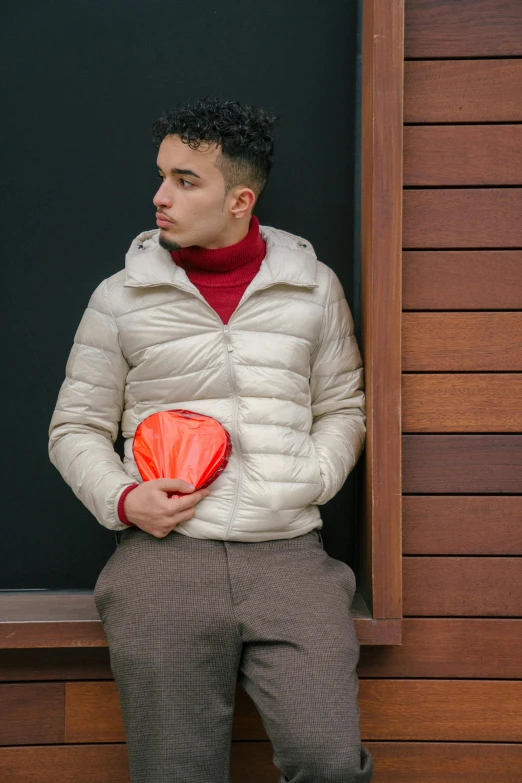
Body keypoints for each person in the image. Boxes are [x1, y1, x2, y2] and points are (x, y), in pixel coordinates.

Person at [48, 96, 374, 783]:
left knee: (331, 761)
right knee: (175, 772)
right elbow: (74, 427)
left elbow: (343, 406)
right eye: (163, 175)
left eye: (185, 180)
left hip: (290, 558)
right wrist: (124, 497)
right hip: (163, 562)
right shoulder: (120, 296)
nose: (159, 196)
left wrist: (309, 479)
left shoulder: (314, 289)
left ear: (240, 199)